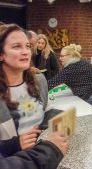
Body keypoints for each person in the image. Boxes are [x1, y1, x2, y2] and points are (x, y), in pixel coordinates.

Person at [0, 23, 69, 169]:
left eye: (27, 46)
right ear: (1, 54)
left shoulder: (39, 80)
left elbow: (46, 111)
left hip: (45, 156)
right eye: (16, 46)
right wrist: (14, 144)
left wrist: (61, 119)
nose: (25, 52)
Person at [48, 44, 92, 110]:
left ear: (71, 55)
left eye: (62, 56)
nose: (60, 58)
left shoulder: (69, 70)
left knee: (89, 119)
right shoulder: (84, 62)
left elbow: (51, 84)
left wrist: (37, 92)